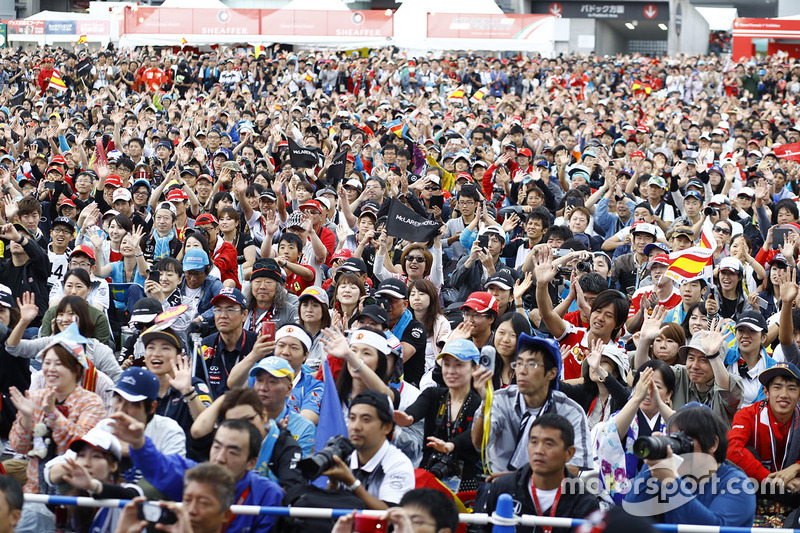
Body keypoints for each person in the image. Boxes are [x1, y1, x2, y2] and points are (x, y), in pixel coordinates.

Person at [111, 415, 284, 533]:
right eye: (217, 447)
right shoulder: (193, 475)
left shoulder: (268, 494)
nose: (220, 458)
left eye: (233, 452)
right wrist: (138, 442)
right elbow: (158, 465)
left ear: (251, 462)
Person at [471, 333, 590, 474]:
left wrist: (517, 478)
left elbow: (573, 468)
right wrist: (486, 402)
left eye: (531, 364)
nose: (522, 371)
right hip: (498, 487)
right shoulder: (500, 399)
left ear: (552, 373)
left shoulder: (570, 411)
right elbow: (478, 443)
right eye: (519, 363)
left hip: (548, 490)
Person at [624, 405, 756, 527]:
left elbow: (713, 528)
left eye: (685, 439)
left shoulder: (738, 484)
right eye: (674, 438)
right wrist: (654, 460)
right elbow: (632, 511)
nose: (680, 448)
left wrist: (673, 483)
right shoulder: (674, 476)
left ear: (712, 444)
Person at [8, 337, 106, 494]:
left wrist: (53, 414)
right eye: (47, 363)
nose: (50, 369)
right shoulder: (36, 398)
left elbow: (81, 444)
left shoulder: (91, 402)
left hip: (73, 489)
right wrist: (26, 419)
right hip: (35, 488)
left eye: (58, 364)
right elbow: (19, 447)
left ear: (76, 369)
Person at [480, 414, 600, 533]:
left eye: (549, 444)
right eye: (534, 442)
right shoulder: (504, 487)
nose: (538, 451)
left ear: (569, 453)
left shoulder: (584, 502)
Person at [394, 339, 483, 491]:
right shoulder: (433, 395)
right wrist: (407, 418)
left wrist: (451, 446)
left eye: (459, 365)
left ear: (475, 368)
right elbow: (416, 409)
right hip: (430, 476)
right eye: (447, 364)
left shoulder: (480, 403)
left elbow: (473, 435)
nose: (451, 371)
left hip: (466, 483)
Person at [727, 363, 800, 526]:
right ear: (766, 392)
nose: (784, 394)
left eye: (792, 388)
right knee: (745, 454)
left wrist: (796, 467)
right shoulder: (747, 414)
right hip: (755, 490)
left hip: (795, 493)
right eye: (777, 387)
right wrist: (772, 479)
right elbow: (732, 450)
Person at [322, 389, 415, 510]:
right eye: (352, 418)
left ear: (387, 427)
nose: (356, 426)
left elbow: (390, 515)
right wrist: (333, 483)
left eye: (366, 419)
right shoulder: (344, 456)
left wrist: (352, 483)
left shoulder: (398, 464)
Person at [375, 279, 428, 386]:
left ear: (405, 304)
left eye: (392, 300)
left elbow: (398, 358)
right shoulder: (372, 323)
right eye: (383, 299)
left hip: (407, 389)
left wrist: (382, 325)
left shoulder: (416, 328)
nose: (386, 304)